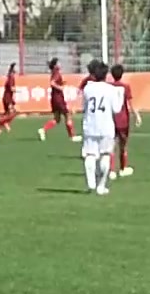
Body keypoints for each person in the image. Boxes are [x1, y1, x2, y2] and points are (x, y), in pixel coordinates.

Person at [78, 61, 123, 195]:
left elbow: (83, 107)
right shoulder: (111, 89)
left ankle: (91, 183)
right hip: (106, 127)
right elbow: (117, 109)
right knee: (105, 155)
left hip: (90, 126)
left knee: (90, 155)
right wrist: (120, 96)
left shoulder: (88, 88)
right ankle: (101, 186)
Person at [110, 62, 141, 177]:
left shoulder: (108, 87)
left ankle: (111, 171)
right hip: (123, 120)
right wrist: (136, 115)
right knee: (123, 146)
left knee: (111, 146)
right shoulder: (125, 87)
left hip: (111, 119)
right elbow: (130, 103)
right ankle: (123, 169)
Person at [39, 58, 75, 142]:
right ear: (55, 65)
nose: (60, 64)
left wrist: (61, 83)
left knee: (57, 119)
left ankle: (43, 130)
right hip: (59, 98)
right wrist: (60, 87)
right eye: (58, 63)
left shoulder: (54, 72)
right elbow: (52, 83)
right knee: (67, 115)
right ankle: (72, 136)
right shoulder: (57, 73)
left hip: (54, 98)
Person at [0, 63, 20, 134]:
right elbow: (11, 88)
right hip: (8, 99)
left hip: (7, 98)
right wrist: (16, 90)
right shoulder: (11, 78)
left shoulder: (10, 78)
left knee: (7, 113)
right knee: (13, 113)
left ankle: (5, 123)